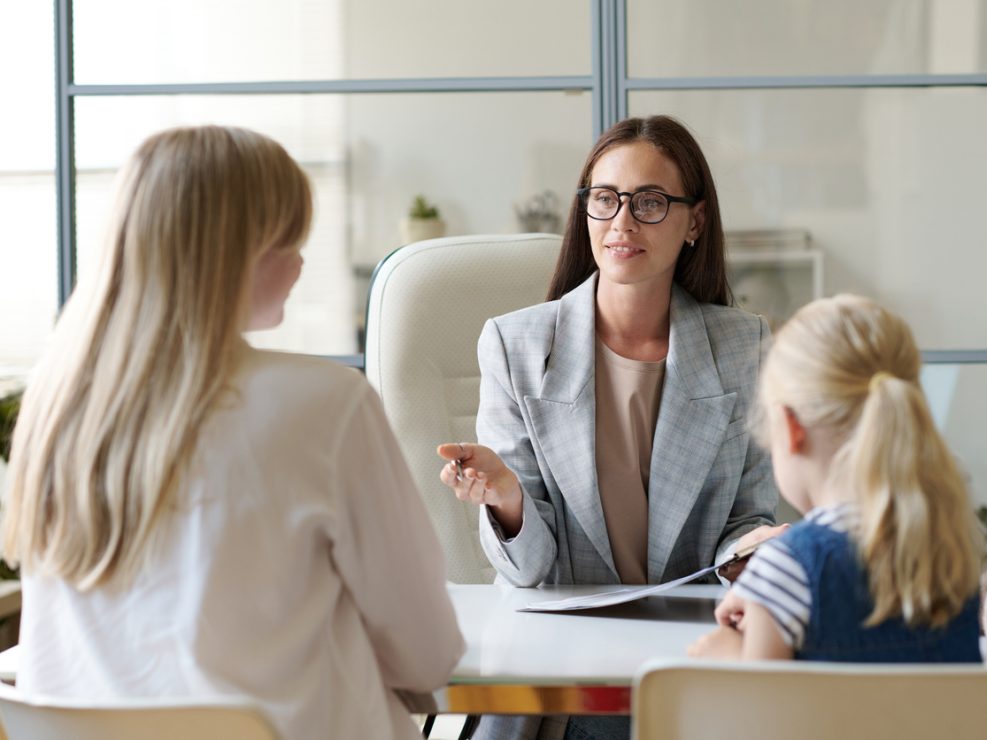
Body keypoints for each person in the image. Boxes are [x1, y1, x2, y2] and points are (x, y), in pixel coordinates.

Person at [1, 125, 464, 739]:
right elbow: (426, 651)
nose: (301, 262)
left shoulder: (57, 408)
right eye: (287, 240)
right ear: (230, 251)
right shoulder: (325, 405)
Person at [437, 115, 783, 740]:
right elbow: (530, 571)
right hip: (558, 672)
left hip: (687, 655)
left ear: (694, 222)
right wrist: (507, 498)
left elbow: (743, 521)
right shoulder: (516, 344)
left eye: (650, 202)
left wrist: (760, 552)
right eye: (605, 199)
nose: (622, 221)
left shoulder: (743, 345)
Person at [689, 294, 983, 663]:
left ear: (791, 427)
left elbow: (761, 717)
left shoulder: (788, 565)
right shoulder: (951, 549)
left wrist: (728, 655)